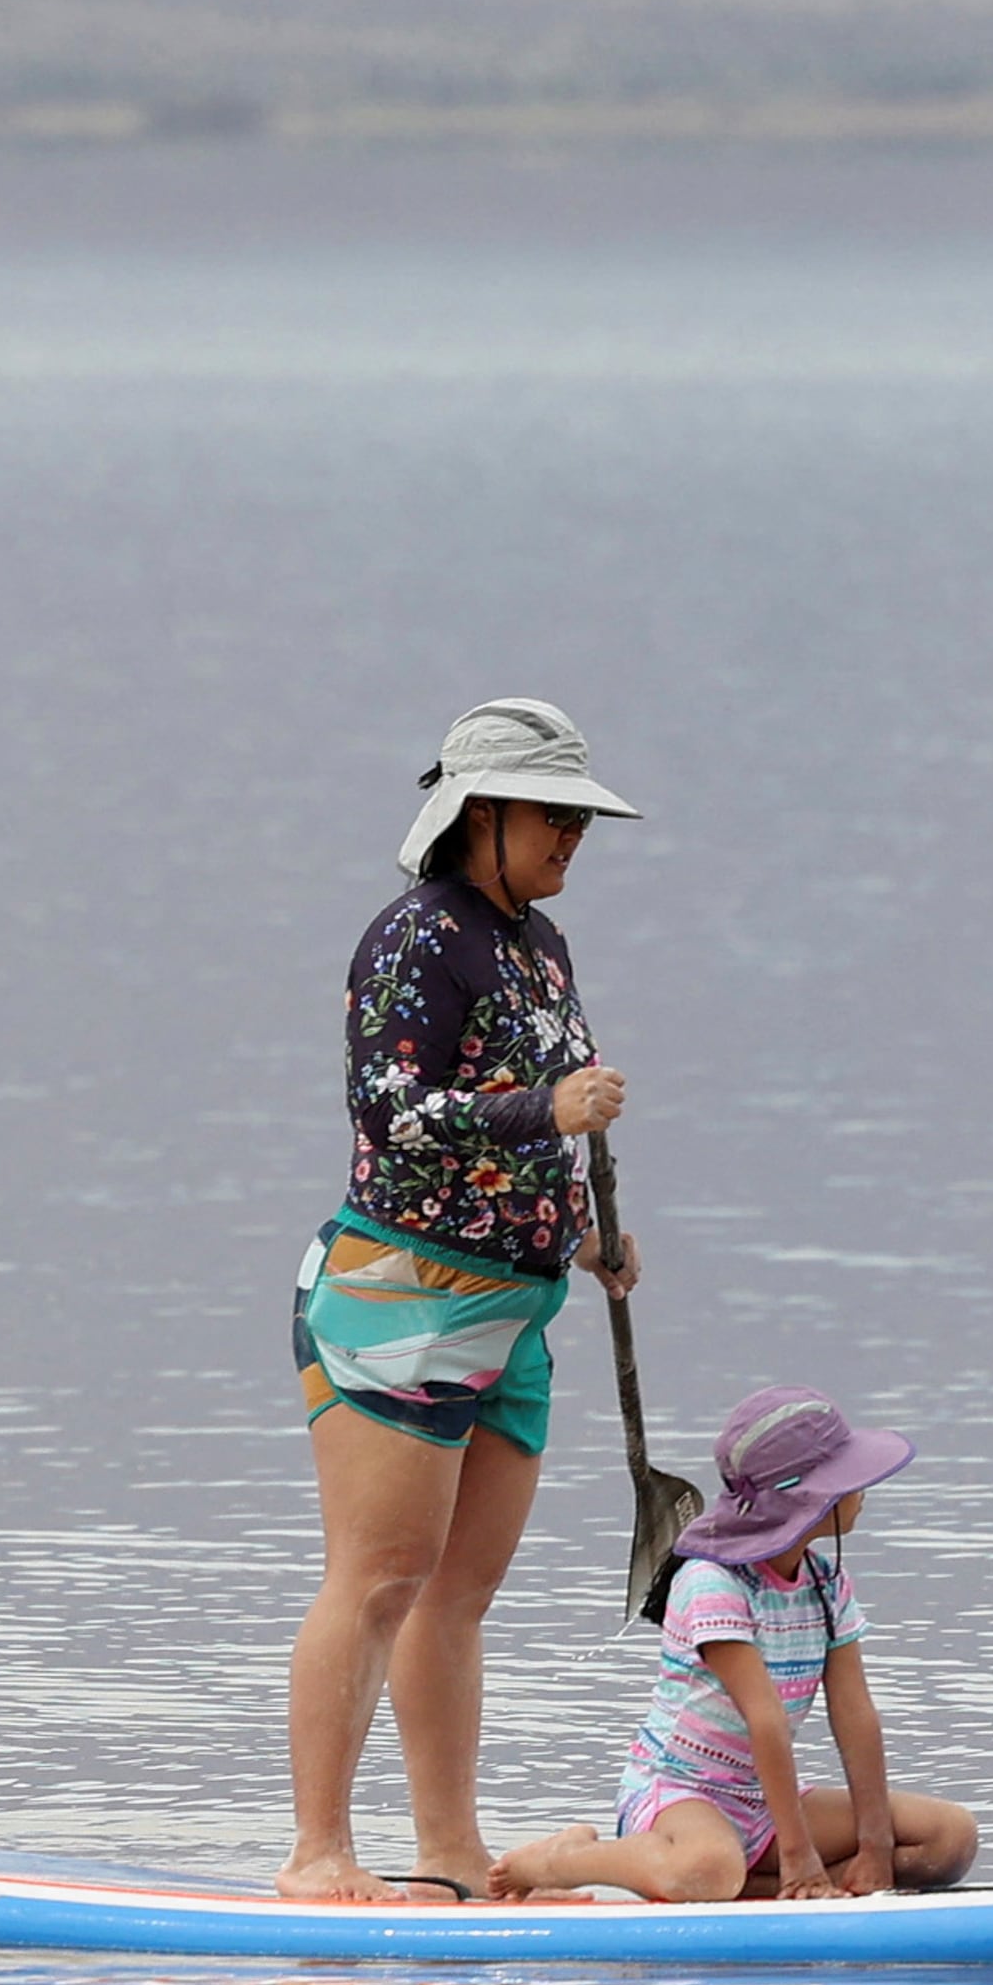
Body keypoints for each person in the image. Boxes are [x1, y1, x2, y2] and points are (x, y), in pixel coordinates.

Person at [280, 698, 647, 1902]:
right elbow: (387, 1109)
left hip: (516, 1306)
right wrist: (547, 1115)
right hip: (399, 1292)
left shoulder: (539, 943)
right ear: (479, 814)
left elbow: (523, 1104)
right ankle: (317, 1855)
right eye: (554, 818)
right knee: (378, 1574)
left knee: (457, 1594)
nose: (572, 842)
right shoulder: (412, 939)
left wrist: (581, 1232)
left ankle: (445, 1854)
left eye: (581, 824)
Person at [489, 1387, 980, 1905]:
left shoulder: (825, 1580)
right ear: (808, 1501)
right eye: (848, 1482)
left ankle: (758, 1884)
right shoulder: (711, 1582)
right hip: (681, 1794)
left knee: (948, 1839)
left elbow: (855, 1713)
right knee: (710, 1869)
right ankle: (562, 1860)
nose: (863, 1491)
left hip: (764, 1802)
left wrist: (875, 1844)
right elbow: (763, 1718)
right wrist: (798, 1856)